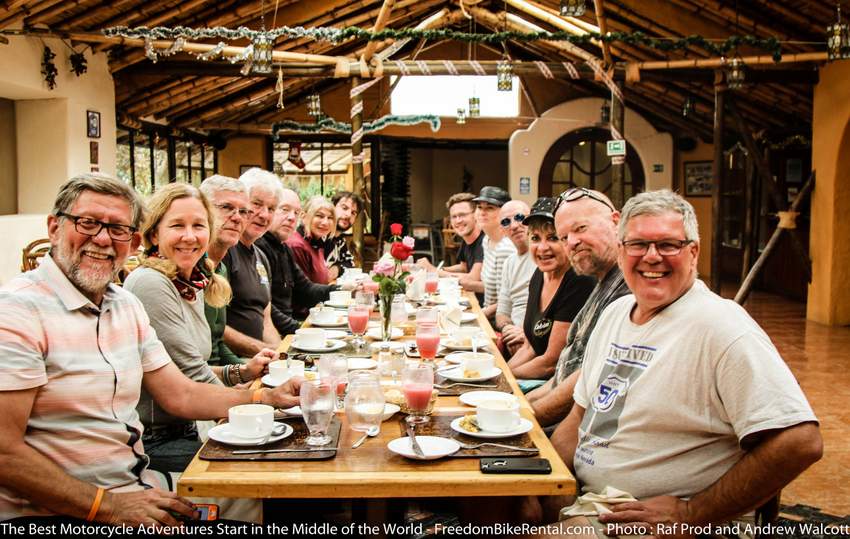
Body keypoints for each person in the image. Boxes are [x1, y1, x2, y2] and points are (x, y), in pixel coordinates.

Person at [0, 174, 301, 526]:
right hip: (59, 513)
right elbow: (5, 453)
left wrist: (265, 399)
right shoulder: (18, 310)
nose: (102, 238)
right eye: (88, 223)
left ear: (134, 239)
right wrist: (108, 506)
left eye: (118, 229)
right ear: (54, 228)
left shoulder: (124, 304)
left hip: (134, 484)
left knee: (259, 497)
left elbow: (181, 394)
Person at [542, 190, 822, 537]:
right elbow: (579, 418)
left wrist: (692, 513)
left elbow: (800, 442)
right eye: (638, 244)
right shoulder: (615, 313)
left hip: (647, 522)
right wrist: (549, 488)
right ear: (621, 248)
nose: (652, 257)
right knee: (490, 502)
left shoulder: (720, 325)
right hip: (592, 502)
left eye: (668, 245)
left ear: (693, 252)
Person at [124, 183, 276, 474]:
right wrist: (258, 404)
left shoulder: (190, 281)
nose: (190, 236)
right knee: (262, 464)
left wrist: (242, 372)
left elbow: (192, 367)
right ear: (154, 234)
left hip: (189, 426)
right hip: (155, 440)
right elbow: (192, 373)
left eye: (199, 225)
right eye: (177, 225)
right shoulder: (150, 283)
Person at [525, 188, 630, 427]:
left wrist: (526, 417)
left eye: (580, 228)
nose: (571, 242)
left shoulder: (629, 285)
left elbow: (585, 380)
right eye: (563, 237)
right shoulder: (601, 279)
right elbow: (564, 371)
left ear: (616, 222)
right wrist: (521, 403)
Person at [506, 198, 594, 383]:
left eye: (553, 238)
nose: (542, 247)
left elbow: (550, 362)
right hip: (533, 377)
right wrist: (499, 373)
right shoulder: (539, 275)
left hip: (556, 385)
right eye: (535, 238)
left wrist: (503, 378)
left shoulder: (579, 281)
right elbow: (529, 348)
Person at [257, 189, 348, 334]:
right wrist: (300, 329)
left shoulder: (284, 247)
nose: (292, 218)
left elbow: (306, 289)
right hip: (279, 333)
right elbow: (264, 306)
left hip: (289, 327)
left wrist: (346, 289)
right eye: (285, 209)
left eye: (296, 212)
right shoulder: (282, 246)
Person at [222, 167, 282, 357]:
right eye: (257, 204)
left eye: (271, 208)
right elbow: (215, 328)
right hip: (234, 365)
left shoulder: (261, 256)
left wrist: (282, 355)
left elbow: (266, 321)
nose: (264, 215)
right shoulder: (225, 251)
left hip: (259, 359)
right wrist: (264, 351)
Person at [198, 175, 251, 367]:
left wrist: (247, 371)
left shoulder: (221, 269)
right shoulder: (188, 269)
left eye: (243, 211)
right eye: (226, 207)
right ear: (203, 210)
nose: (237, 218)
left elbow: (217, 344)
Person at [417, 192, 484, 302]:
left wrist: (434, 271)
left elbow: (473, 278)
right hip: (468, 299)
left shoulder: (484, 241)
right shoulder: (466, 238)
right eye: (454, 216)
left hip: (482, 307)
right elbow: (464, 267)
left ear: (475, 214)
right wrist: (439, 269)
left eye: (462, 215)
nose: (458, 221)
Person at [494, 199, 535, 355]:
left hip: (535, 340)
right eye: (506, 222)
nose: (514, 225)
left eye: (519, 217)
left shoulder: (545, 257)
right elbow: (502, 312)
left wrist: (526, 334)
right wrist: (508, 330)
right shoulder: (509, 263)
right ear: (503, 230)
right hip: (512, 339)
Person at [473, 186, 517, 320]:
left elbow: (506, 302)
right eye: (479, 207)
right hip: (487, 313)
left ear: (504, 215)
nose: (482, 212)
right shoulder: (486, 240)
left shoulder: (506, 247)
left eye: (490, 208)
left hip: (500, 321)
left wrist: (478, 316)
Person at [286, 195, 335, 285]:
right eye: (319, 216)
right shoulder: (297, 246)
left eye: (330, 218)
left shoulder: (317, 242)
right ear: (303, 216)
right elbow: (304, 290)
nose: (325, 222)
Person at [326, 191, 363, 280]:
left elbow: (350, 263)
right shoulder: (320, 236)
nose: (348, 215)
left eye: (354, 213)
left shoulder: (340, 240)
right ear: (332, 208)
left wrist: (337, 268)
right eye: (344, 208)